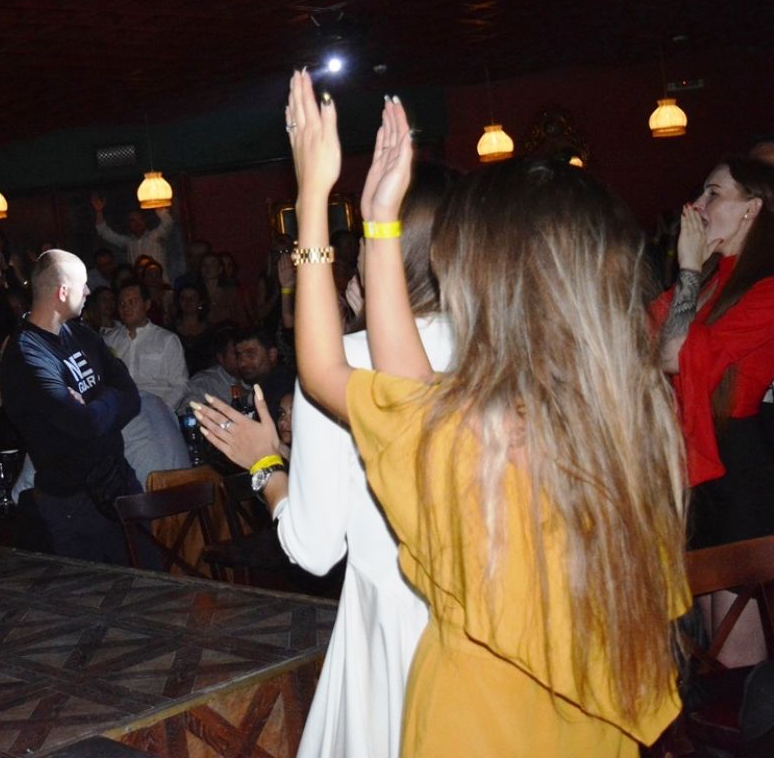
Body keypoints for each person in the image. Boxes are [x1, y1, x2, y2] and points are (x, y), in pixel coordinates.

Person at [211, 75, 688, 756]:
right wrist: (380, 229)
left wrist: (316, 200)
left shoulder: (468, 442)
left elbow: (325, 371)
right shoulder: (632, 434)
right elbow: (403, 377)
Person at [195, 163, 457, 757]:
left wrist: (265, 465)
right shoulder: (507, 350)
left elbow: (315, 549)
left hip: (390, 637)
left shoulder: (344, 364)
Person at [654, 156, 774, 665]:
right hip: (694, 466)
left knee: (735, 657)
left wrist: (687, 268)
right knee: (707, 644)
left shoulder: (771, 289)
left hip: (738, 470)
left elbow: (670, 354)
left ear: (753, 208)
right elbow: (641, 341)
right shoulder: (712, 281)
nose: (697, 205)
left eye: (713, 194)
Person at [0, 249, 143, 564]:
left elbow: (132, 396)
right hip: (73, 498)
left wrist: (94, 404)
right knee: (98, 588)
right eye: (83, 284)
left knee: (152, 577)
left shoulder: (82, 334)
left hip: (118, 480)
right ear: (63, 291)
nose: (89, 292)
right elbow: (83, 425)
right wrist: (108, 397)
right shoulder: (26, 355)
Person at [103, 281, 188, 411]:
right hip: (119, 411)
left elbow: (180, 384)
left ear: (147, 304)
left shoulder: (167, 340)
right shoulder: (108, 340)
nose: (126, 308)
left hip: (157, 410)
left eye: (132, 302)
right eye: (122, 304)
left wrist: (163, 410)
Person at [92, 192, 177, 281]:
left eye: (140, 219)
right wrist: (98, 212)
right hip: (141, 287)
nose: (137, 224)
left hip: (162, 284)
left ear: (145, 220)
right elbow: (105, 232)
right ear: (128, 224)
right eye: (133, 221)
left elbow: (168, 223)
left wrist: (157, 202)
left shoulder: (156, 236)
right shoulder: (129, 243)